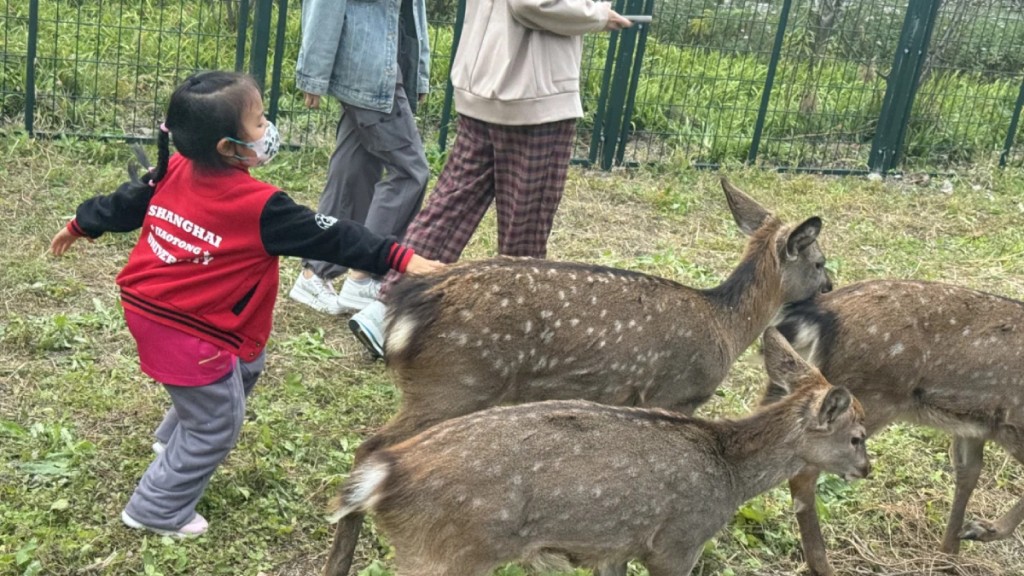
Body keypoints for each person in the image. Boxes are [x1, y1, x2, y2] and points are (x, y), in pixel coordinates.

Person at [49, 71, 442, 537]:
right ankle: (156, 508)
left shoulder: (175, 169)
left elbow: (125, 203)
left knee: (245, 364)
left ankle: (172, 441)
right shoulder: (262, 207)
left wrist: (81, 224)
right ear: (227, 146)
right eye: (258, 122)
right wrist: (401, 257)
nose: (268, 127)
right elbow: (336, 237)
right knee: (217, 422)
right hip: (189, 327)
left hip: (153, 307)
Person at [348, 0, 631, 358]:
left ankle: (386, 312)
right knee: (524, 227)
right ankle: (511, 335)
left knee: (449, 207)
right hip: (530, 93)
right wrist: (596, 14)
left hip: (482, 82)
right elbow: (535, 4)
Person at [289, 0, 432, 316]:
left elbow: (413, 10)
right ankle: (363, 274)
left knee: (355, 169)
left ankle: (314, 273)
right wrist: (312, 74)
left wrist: (418, 71)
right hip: (368, 71)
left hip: (382, 67)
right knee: (410, 172)